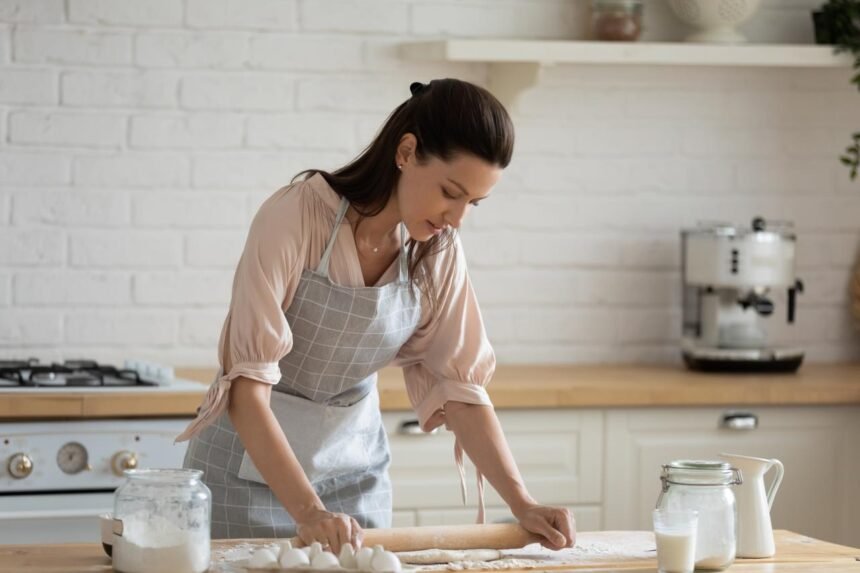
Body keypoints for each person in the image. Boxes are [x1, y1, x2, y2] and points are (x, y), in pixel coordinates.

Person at [176, 78, 576, 553]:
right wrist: (309, 513)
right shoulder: (297, 217)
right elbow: (245, 390)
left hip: (352, 483)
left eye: (473, 203)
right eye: (451, 192)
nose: (457, 217)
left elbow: (462, 391)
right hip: (245, 475)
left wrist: (523, 503)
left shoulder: (436, 251)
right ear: (406, 151)